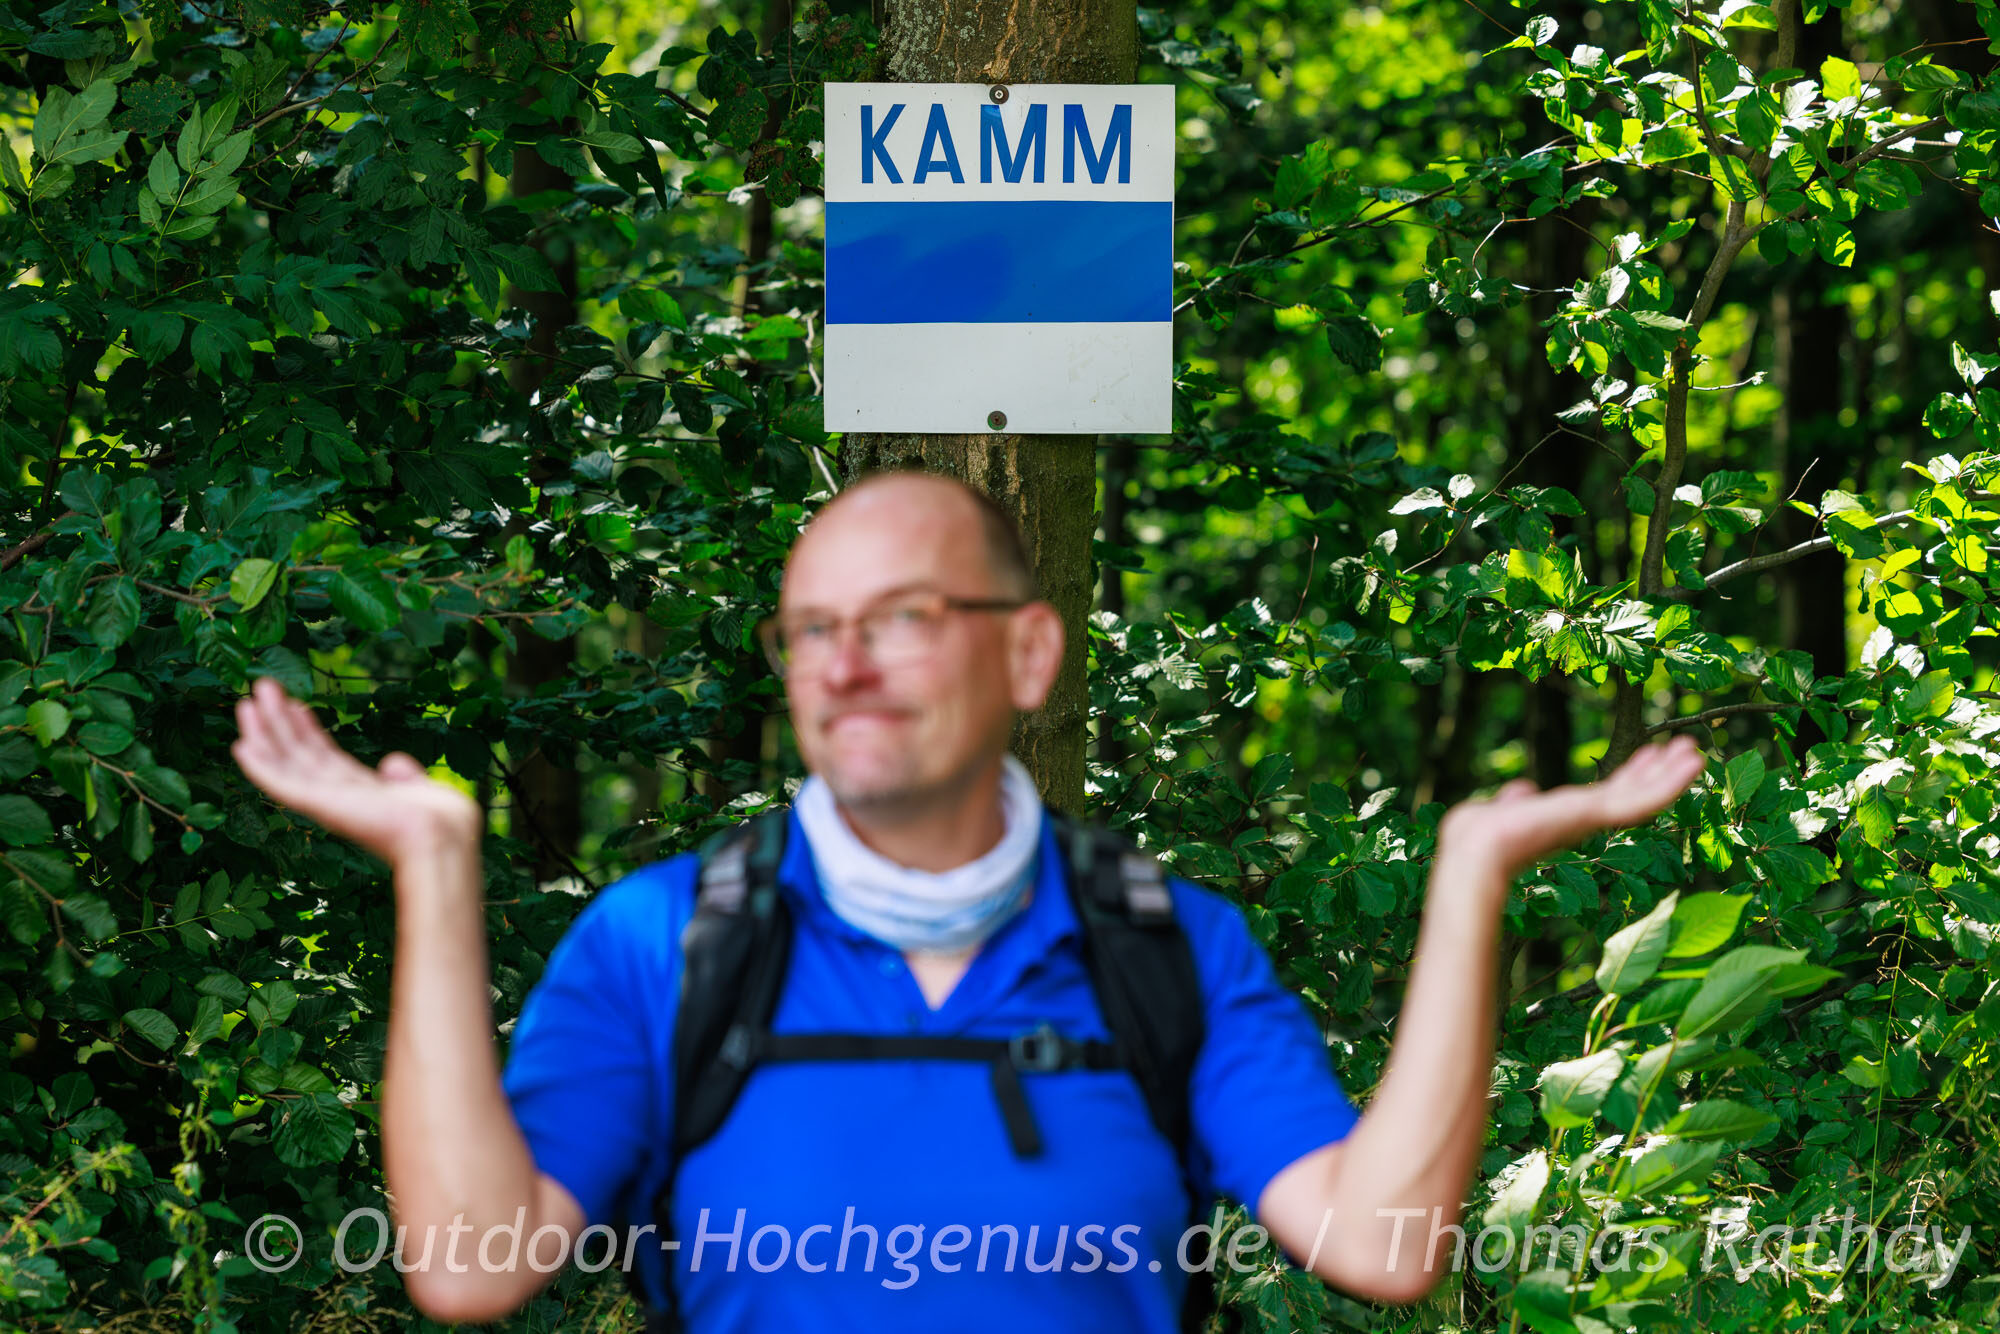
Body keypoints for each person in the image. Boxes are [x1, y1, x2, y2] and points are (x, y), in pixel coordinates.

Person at [229, 469, 1707, 1329]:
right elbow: (468, 1264)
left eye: (904, 619)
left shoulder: (1165, 947)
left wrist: (1470, 879)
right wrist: (433, 866)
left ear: (1032, 653)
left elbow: (1384, 1244)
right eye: (814, 626)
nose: (845, 660)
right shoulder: (664, 942)